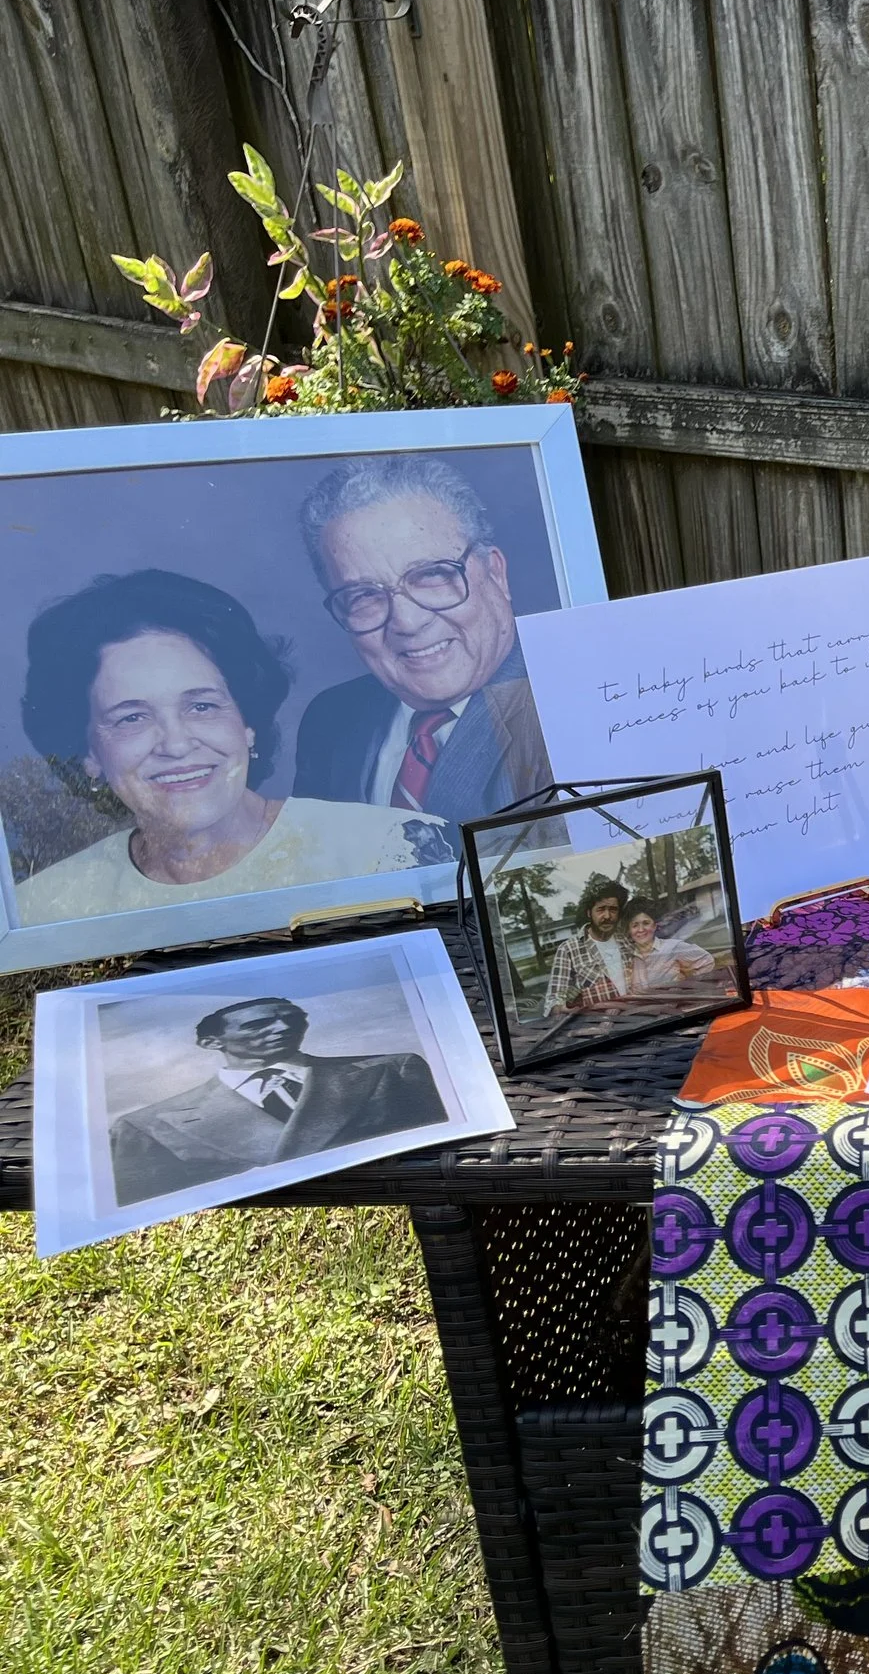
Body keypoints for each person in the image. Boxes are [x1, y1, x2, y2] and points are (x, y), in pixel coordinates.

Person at [15, 571, 454, 924]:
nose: (177, 743)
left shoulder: (389, 850)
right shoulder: (46, 907)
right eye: (132, 717)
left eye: (202, 706)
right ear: (88, 752)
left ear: (247, 724)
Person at [291, 454, 553, 828]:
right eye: (364, 595)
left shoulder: (566, 708)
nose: (408, 622)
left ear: (495, 574)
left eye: (431, 575)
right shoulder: (331, 721)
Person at [107, 995, 447, 1203]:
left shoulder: (394, 1069)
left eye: (293, 1019)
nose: (283, 1028)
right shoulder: (147, 1126)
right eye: (259, 1024)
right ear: (212, 1043)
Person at [542, 878, 633, 1015]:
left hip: (636, 1017)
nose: (607, 916)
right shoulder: (568, 949)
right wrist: (562, 1008)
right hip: (598, 1026)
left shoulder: (626, 939)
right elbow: (554, 1000)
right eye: (601, 909)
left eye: (613, 909)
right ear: (589, 913)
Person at [624, 898, 719, 994]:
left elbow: (707, 961)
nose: (641, 929)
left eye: (646, 923)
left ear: (654, 926)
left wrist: (686, 986)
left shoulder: (672, 947)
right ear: (629, 930)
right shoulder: (628, 957)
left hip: (673, 1006)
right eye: (635, 925)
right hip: (640, 1008)